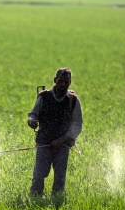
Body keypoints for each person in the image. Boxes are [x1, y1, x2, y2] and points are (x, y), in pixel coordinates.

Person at [27, 67, 83, 197]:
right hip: (44, 142)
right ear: (55, 80)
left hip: (63, 145)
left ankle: (57, 199)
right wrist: (32, 120)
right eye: (60, 81)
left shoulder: (73, 100)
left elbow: (77, 124)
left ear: (70, 82)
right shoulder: (44, 97)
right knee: (39, 174)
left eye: (66, 82)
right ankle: (35, 197)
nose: (63, 84)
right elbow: (33, 114)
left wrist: (63, 140)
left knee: (60, 177)